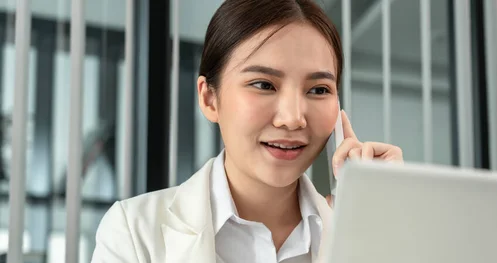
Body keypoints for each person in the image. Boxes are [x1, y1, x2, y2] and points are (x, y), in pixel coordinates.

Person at [90, 0, 403, 262]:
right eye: (264, 85)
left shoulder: (359, 233)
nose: (293, 119)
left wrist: (390, 221)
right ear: (209, 98)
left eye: (319, 90)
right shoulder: (133, 232)